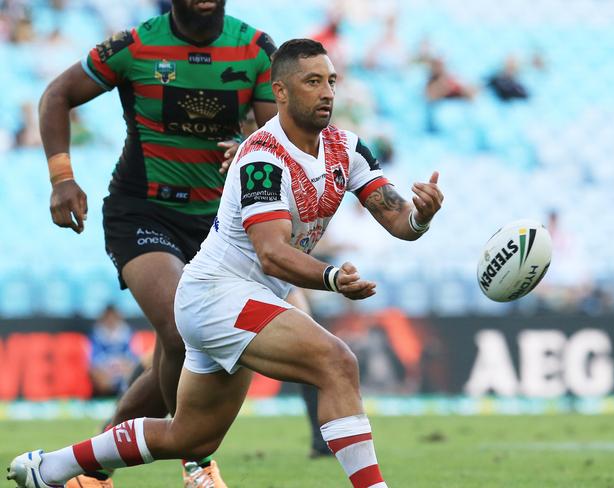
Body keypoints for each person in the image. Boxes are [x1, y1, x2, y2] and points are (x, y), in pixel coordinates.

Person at [8, 38, 444, 488]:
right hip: (220, 295)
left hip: (241, 301)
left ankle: (49, 468)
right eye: (312, 81)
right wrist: (331, 277)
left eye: (331, 81)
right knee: (337, 361)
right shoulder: (261, 157)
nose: (328, 92)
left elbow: (395, 216)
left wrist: (420, 216)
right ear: (280, 92)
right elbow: (271, 253)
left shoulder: (346, 148)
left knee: (189, 438)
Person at [37, 1, 280, 486]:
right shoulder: (134, 45)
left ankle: (90, 469)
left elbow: (276, 133)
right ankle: (195, 458)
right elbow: (57, 94)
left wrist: (250, 147)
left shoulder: (256, 50)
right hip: (141, 212)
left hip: (217, 224)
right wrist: (62, 178)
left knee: (175, 353)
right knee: (179, 329)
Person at [88, 305, 138, 397]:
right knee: (95, 373)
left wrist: (122, 365)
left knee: (134, 370)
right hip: (105, 370)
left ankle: (127, 395)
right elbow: (94, 359)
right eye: (108, 318)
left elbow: (133, 357)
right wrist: (109, 367)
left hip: (123, 369)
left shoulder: (128, 334)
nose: (111, 321)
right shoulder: (96, 335)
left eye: (113, 317)